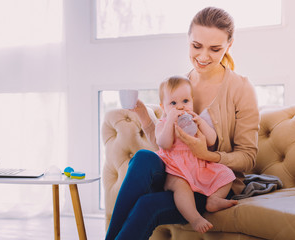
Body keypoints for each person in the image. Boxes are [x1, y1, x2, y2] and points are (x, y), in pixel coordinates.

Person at [105, 6, 259, 240]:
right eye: (196, 46)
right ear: (188, 40)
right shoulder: (180, 86)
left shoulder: (241, 88)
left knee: (148, 205)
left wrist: (207, 155)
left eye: (215, 49)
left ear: (229, 45)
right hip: (176, 174)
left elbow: (248, 157)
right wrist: (146, 117)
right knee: (144, 158)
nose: (203, 56)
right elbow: (165, 146)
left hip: (206, 183)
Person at [155, 76, 237, 233]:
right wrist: (170, 120)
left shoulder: (193, 120)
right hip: (175, 169)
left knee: (226, 174)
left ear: (192, 101)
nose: (180, 107)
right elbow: (164, 143)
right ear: (163, 107)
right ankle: (194, 218)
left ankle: (214, 199)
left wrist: (200, 123)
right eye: (173, 103)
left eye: (185, 101)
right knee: (181, 187)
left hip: (197, 165)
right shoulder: (163, 124)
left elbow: (211, 140)